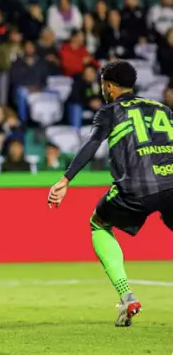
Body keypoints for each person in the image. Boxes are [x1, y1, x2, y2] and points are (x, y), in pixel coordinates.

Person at [48, 60, 172, 327]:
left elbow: (93, 143)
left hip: (136, 188)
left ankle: (127, 296)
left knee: (99, 223)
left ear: (109, 86)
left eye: (103, 85)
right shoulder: (163, 108)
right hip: (172, 183)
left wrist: (66, 179)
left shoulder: (110, 111)